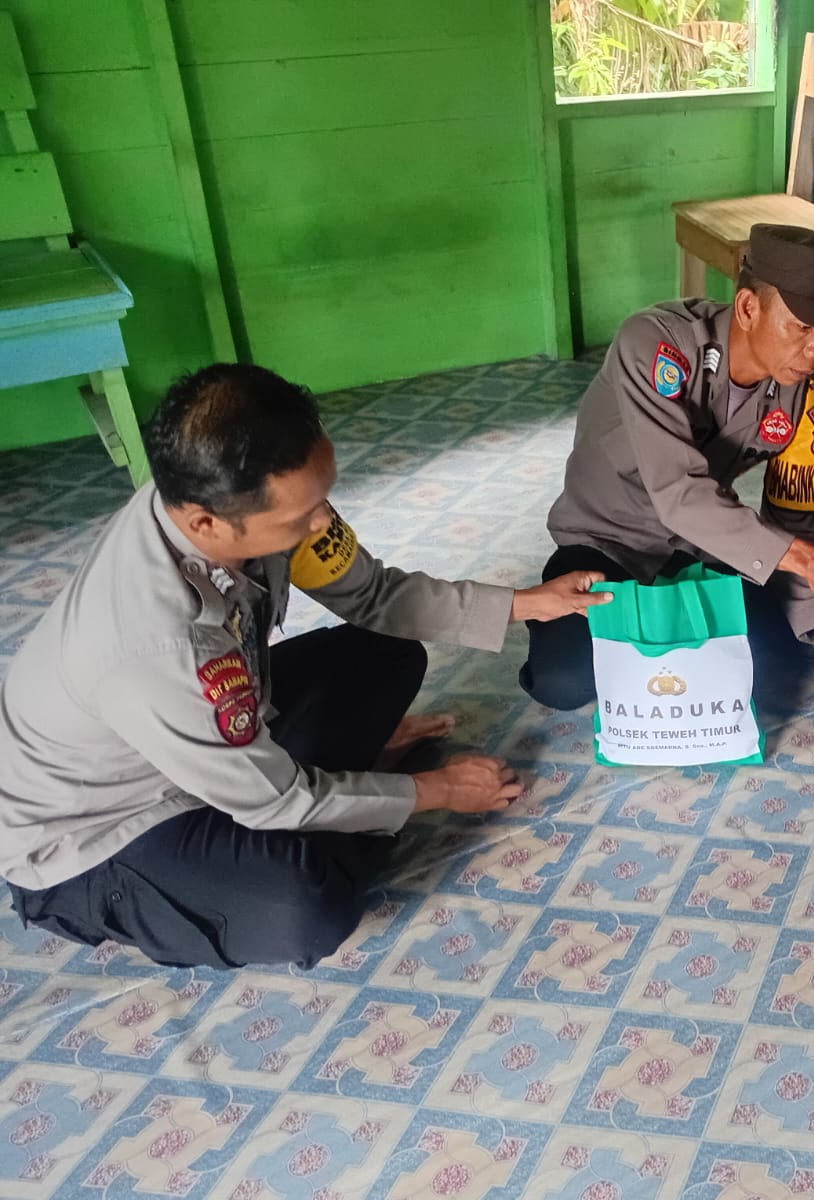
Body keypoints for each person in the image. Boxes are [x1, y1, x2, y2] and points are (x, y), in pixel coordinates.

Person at [0, 364, 608, 970]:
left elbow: (377, 597)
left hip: (211, 733)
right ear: (206, 522)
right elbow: (274, 802)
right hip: (100, 829)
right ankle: (345, 803)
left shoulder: (224, 490)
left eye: (322, 498)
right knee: (306, 908)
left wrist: (530, 603)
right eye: (299, 518)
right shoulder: (156, 643)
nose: (320, 523)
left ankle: (345, 797)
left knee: (388, 649)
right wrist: (438, 790)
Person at [521, 223, 814, 711]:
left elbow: (794, 522)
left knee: (777, 672)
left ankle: (670, 629)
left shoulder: (807, 392)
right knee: (562, 680)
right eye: (802, 327)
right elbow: (679, 494)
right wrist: (813, 565)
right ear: (748, 308)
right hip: (605, 542)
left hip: (703, 547)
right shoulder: (653, 346)